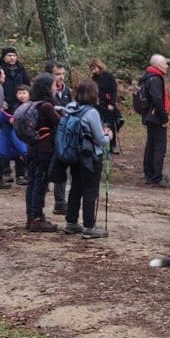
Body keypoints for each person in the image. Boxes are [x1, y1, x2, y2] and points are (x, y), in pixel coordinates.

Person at [61, 81, 112, 239]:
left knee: (76, 187)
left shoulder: (71, 108)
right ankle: (89, 226)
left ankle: (71, 222)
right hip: (90, 156)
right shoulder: (92, 113)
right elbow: (100, 140)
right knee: (90, 190)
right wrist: (108, 135)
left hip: (74, 154)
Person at [24, 73, 61, 232]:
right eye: (53, 84)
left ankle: (31, 215)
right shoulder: (46, 106)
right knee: (40, 183)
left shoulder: (32, 103)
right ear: (47, 87)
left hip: (32, 146)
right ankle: (37, 218)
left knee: (32, 182)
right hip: (44, 149)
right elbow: (59, 123)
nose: (56, 86)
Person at [0, 46, 30, 184]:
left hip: (20, 107)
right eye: (9, 55)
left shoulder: (21, 70)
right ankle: (5, 171)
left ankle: (21, 173)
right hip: (5, 109)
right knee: (6, 140)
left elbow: (27, 86)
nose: (12, 58)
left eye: (14, 55)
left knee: (20, 140)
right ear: (4, 57)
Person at [140, 54, 170, 188]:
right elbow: (157, 100)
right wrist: (164, 118)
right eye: (165, 63)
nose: (167, 66)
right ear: (158, 65)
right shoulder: (155, 79)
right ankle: (156, 177)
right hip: (156, 118)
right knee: (159, 147)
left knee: (151, 145)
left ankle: (150, 173)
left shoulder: (148, 77)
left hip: (149, 116)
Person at [49, 62, 71, 217]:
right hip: (49, 134)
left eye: (62, 73)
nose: (61, 77)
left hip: (63, 133)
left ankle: (60, 202)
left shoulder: (66, 90)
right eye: (57, 74)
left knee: (61, 166)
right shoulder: (46, 92)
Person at [89, 57, 122, 154]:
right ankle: (101, 144)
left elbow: (114, 90)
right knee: (100, 124)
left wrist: (112, 103)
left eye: (94, 68)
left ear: (99, 66)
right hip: (98, 104)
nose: (93, 70)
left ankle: (113, 144)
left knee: (112, 123)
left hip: (109, 103)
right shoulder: (94, 78)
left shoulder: (109, 76)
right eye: (92, 68)